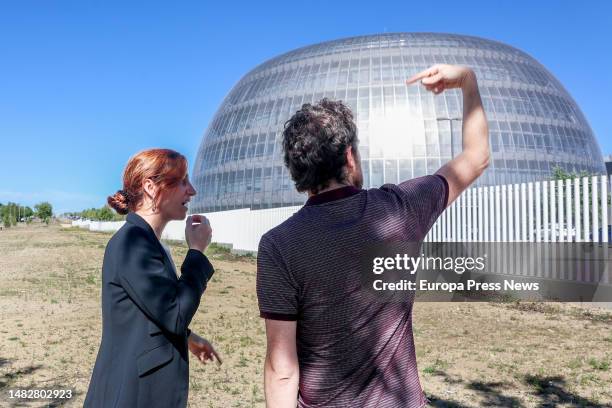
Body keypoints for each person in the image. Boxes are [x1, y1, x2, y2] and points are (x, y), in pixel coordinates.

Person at [256, 64, 490, 407]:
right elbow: (476, 156)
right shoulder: (401, 208)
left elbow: (282, 368)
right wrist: (467, 80)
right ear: (349, 156)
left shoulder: (278, 245)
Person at [84, 148, 221, 408]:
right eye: (182, 181)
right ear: (150, 187)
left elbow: (151, 310)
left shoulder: (146, 241)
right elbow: (175, 313)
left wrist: (188, 337)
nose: (191, 190)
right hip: (131, 395)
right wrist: (196, 252)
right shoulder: (134, 243)